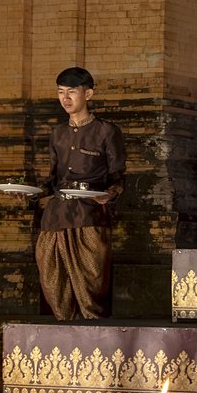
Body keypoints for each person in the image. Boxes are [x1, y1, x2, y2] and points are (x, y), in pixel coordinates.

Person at [35, 67, 125, 319]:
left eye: (71, 92)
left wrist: (110, 194)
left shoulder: (107, 131)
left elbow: (118, 176)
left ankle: (95, 343)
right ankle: (65, 339)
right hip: (55, 218)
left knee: (92, 284)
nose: (65, 98)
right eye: (61, 92)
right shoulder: (57, 134)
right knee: (53, 283)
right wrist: (30, 193)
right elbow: (52, 179)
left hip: (90, 217)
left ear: (89, 94)